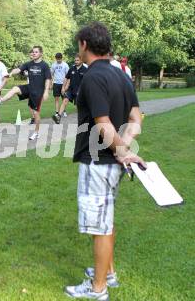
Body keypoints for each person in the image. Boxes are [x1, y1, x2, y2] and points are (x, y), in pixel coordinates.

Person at [64, 22, 146, 300]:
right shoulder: (121, 76)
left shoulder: (92, 77)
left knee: (99, 226)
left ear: (84, 44)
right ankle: (107, 273)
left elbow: (102, 125)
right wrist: (126, 145)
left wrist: (122, 149)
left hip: (98, 161)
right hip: (113, 164)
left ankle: (98, 289)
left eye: (79, 45)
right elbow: (137, 119)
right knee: (105, 220)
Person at [0, 46, 51, 140]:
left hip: (38, 92)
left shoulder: (45, 65)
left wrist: (46, 91)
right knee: (15, 88)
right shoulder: (29, 63)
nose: (34, 53)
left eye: (36, 52)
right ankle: (0, 100)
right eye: (33, 52)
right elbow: (18, 70)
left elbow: (48, 79)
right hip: (29, 87)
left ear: (40, 54)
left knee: (35, 113)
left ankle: (36, 132)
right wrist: (10, 73)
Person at [52, 54, 87, 124]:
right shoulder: (72, 68)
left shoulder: (85, 70)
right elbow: (66, 78)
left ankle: (82, 120)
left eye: (77, 60)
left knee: (78, 107)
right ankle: (58, 117)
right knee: (65, 100)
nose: (76, 62)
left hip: (80, 91)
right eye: (75, 60)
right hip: (71, 90)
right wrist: (63, 87)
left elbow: (87, 82)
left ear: (81, 61)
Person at [51, 53, 70, 117]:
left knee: (64, 99)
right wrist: (52, 83)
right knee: (56, 99)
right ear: (55, 58)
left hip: (63, 84)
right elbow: (51, 74)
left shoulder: (65, 65)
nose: (58, 60)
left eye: (59, 59)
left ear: (62, 58)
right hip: (56, 84)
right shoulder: (53, 65)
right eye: (57, 59)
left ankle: (64, 111)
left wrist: (66, 85)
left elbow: (68, 76)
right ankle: (56, 112)